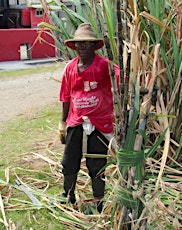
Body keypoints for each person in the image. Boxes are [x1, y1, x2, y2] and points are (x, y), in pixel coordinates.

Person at [58, 23, 118, 213]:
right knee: (69, 161)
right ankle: (68, 196)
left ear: (94, 46)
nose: (82, 47)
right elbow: (66, 97)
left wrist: (139, 88)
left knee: (96, 164)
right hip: (76, 121)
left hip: (100, 123)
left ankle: (99, 202)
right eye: (78, 44)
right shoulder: (70, 68)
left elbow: (122, 78)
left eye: (86, 43)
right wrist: (62, 123)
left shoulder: (104, 66)